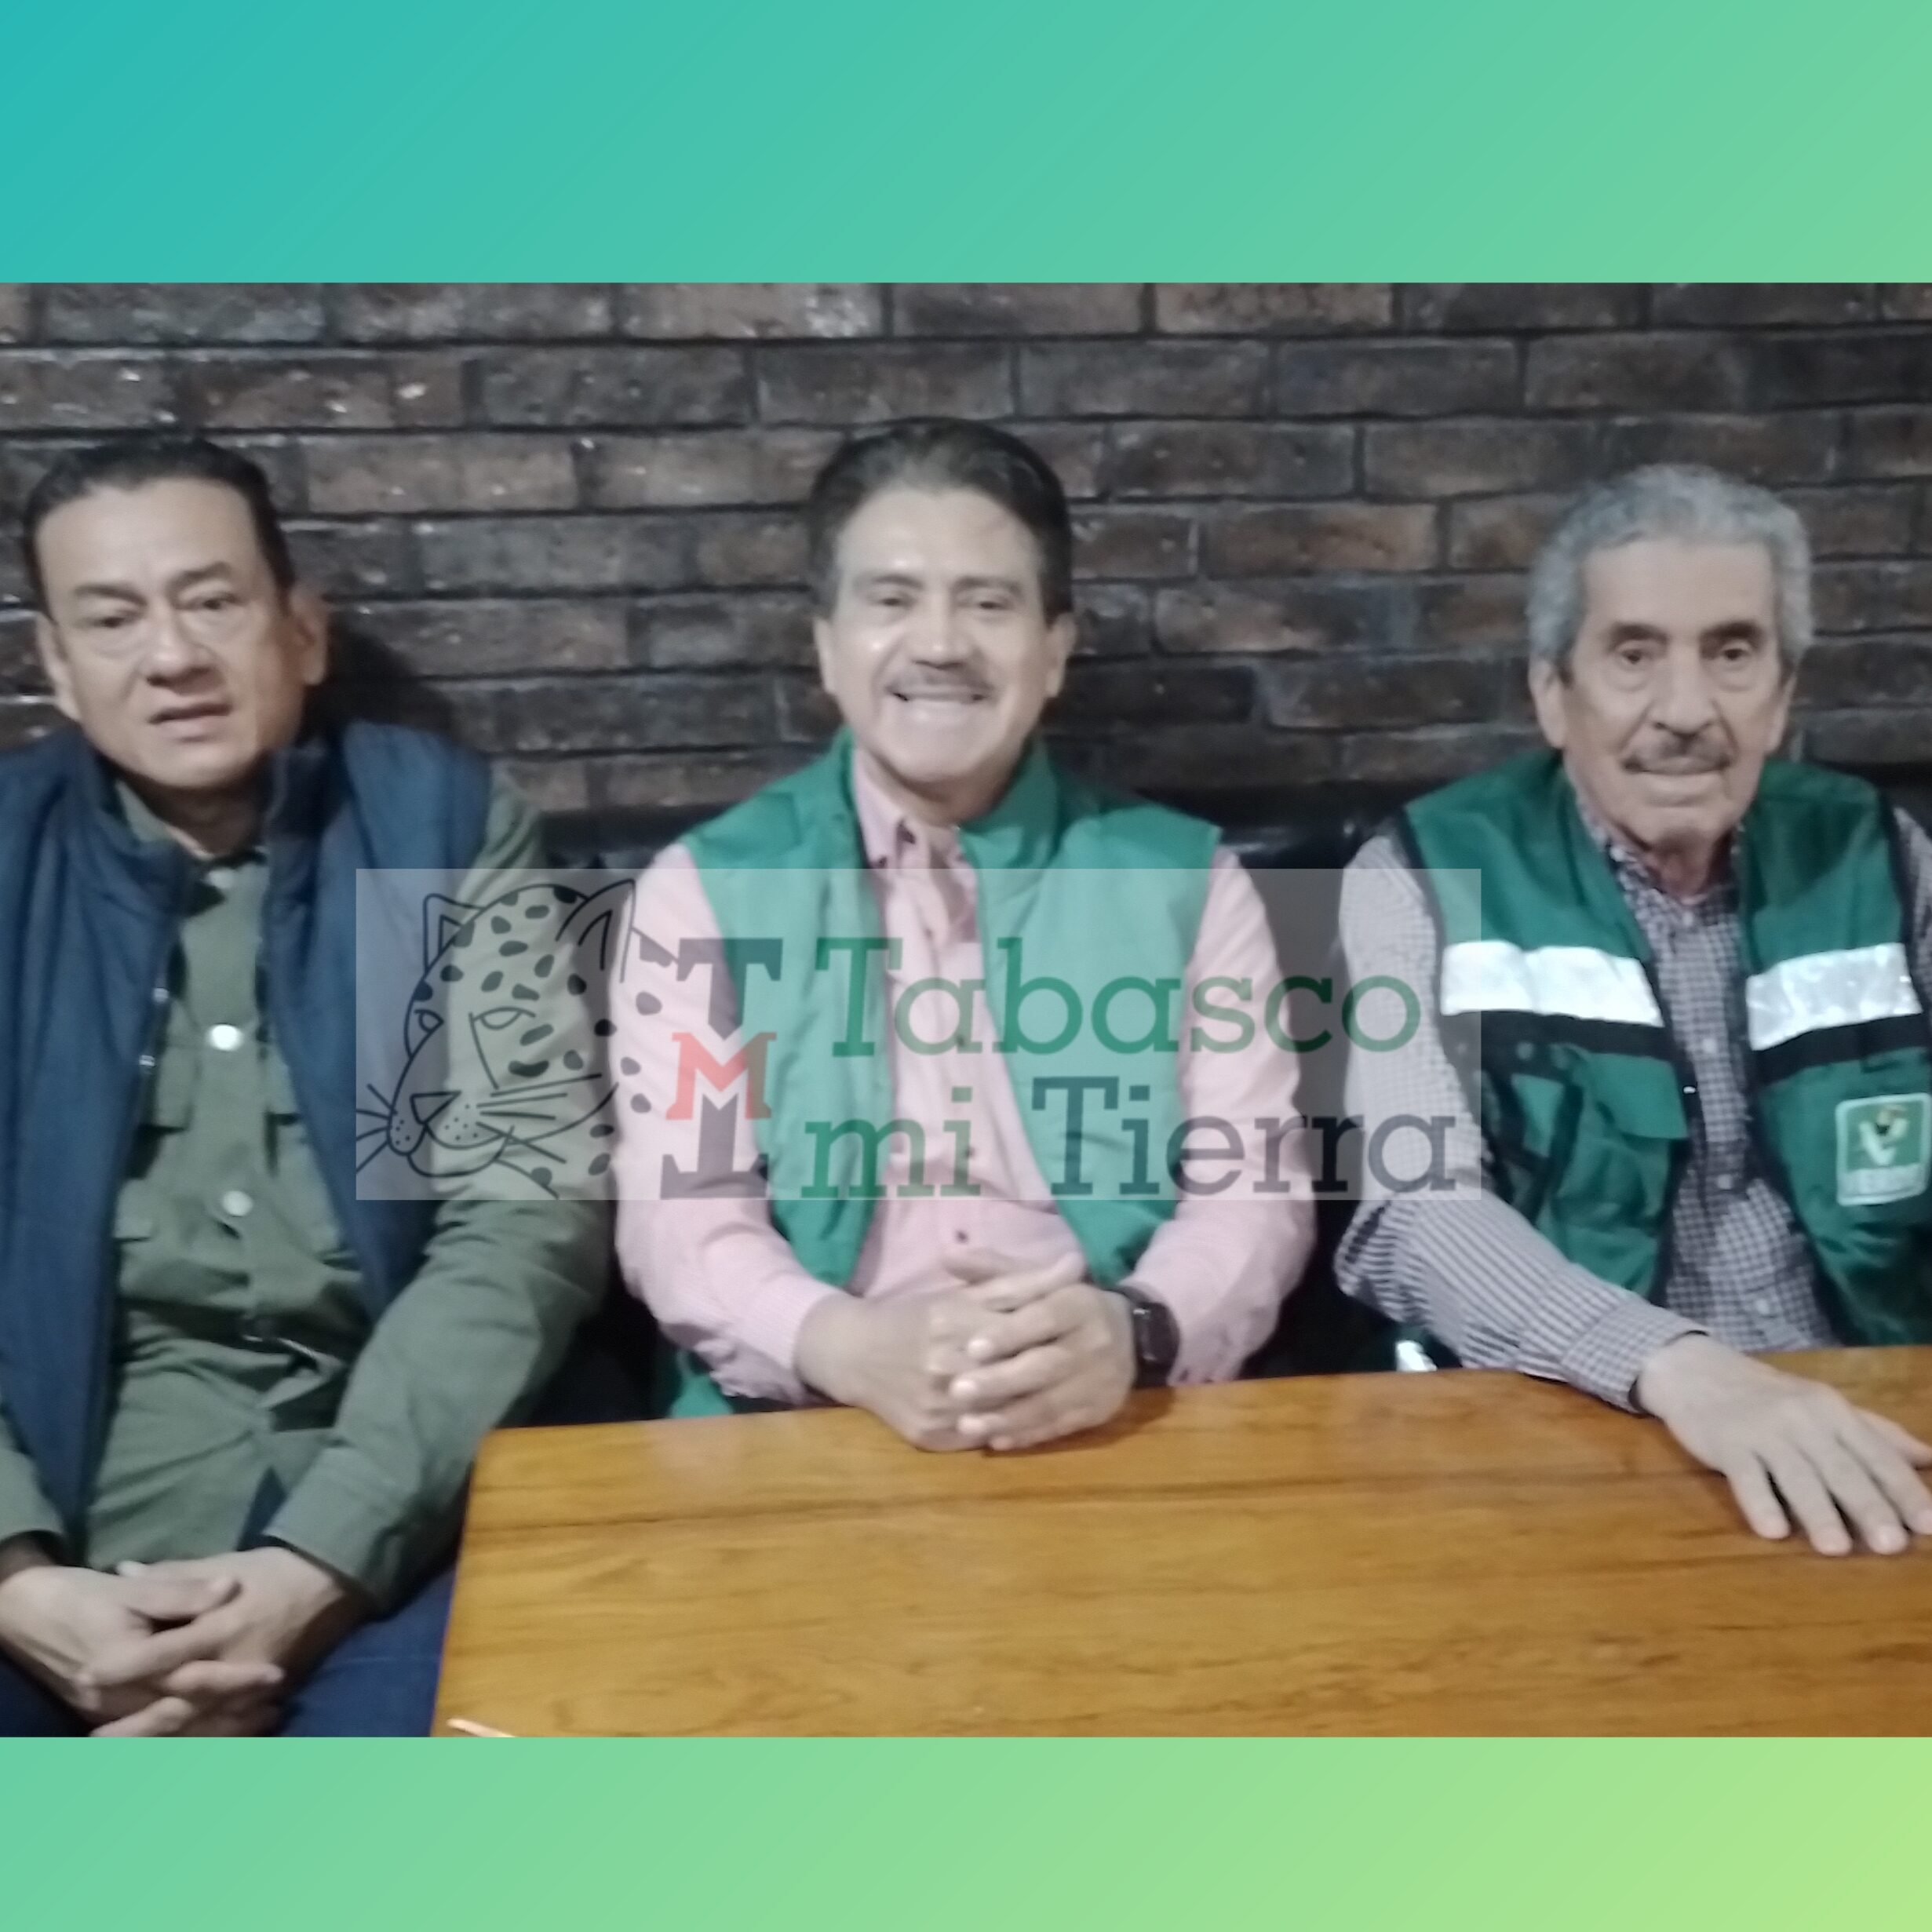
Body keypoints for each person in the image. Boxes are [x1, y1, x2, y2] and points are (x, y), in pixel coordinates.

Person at [0, 436, 605, 1735]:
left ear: (304, 630)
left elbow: (524, 1211)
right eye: (113, 618)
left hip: (399, 1518)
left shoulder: (437, 827)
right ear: (57, 663)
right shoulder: (10, 860)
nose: (172, 655)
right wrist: (18, 1576)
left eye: (212, 600)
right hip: (64, 1521)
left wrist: (317, 1563)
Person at [613, 421, 1313, 1449]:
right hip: (807, 1422)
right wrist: (845, 1346)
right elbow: (680, 1215)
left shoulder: (1190, 881)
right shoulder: (700, 892)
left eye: (988, 602)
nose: (940, 644)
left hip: (1120, 1413)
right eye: (892, 600)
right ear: (826, 645)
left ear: (1055, 649)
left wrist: (1134, 1330)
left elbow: (1253, 1192)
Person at [1338, 463, 1932, 1556]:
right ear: (1551, 692)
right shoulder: (1416, 873)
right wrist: (1679, 1369)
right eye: (1633, 654)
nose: (1687, 711)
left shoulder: (1885, 855)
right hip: (1561, 1428)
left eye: (1732, 653)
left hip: (1872, 1412)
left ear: (1783, 693)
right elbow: (1413, 1217)